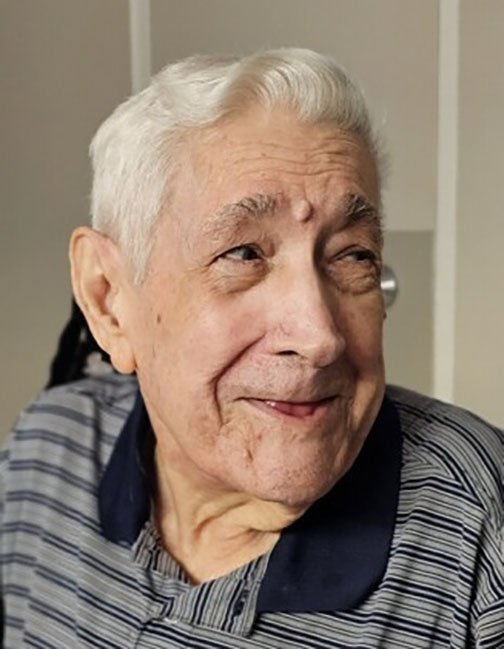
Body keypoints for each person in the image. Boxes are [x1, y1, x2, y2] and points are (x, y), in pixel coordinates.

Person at [1, 48, 502, 649]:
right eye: (243, 254)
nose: (319, 337)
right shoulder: (46, 451)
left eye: (353, 255)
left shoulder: (480, 524)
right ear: (108, 300)